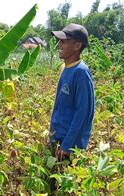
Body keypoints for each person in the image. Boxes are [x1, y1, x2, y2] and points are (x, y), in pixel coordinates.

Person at [49, 23, 95, 161]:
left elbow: (83, 113)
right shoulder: (65, 68)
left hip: (69, 147)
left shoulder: (81, 72)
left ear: (77, 46)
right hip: (58, 139)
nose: (60, 45)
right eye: (59, 41)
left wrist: (67, 145)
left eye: (64, 41)